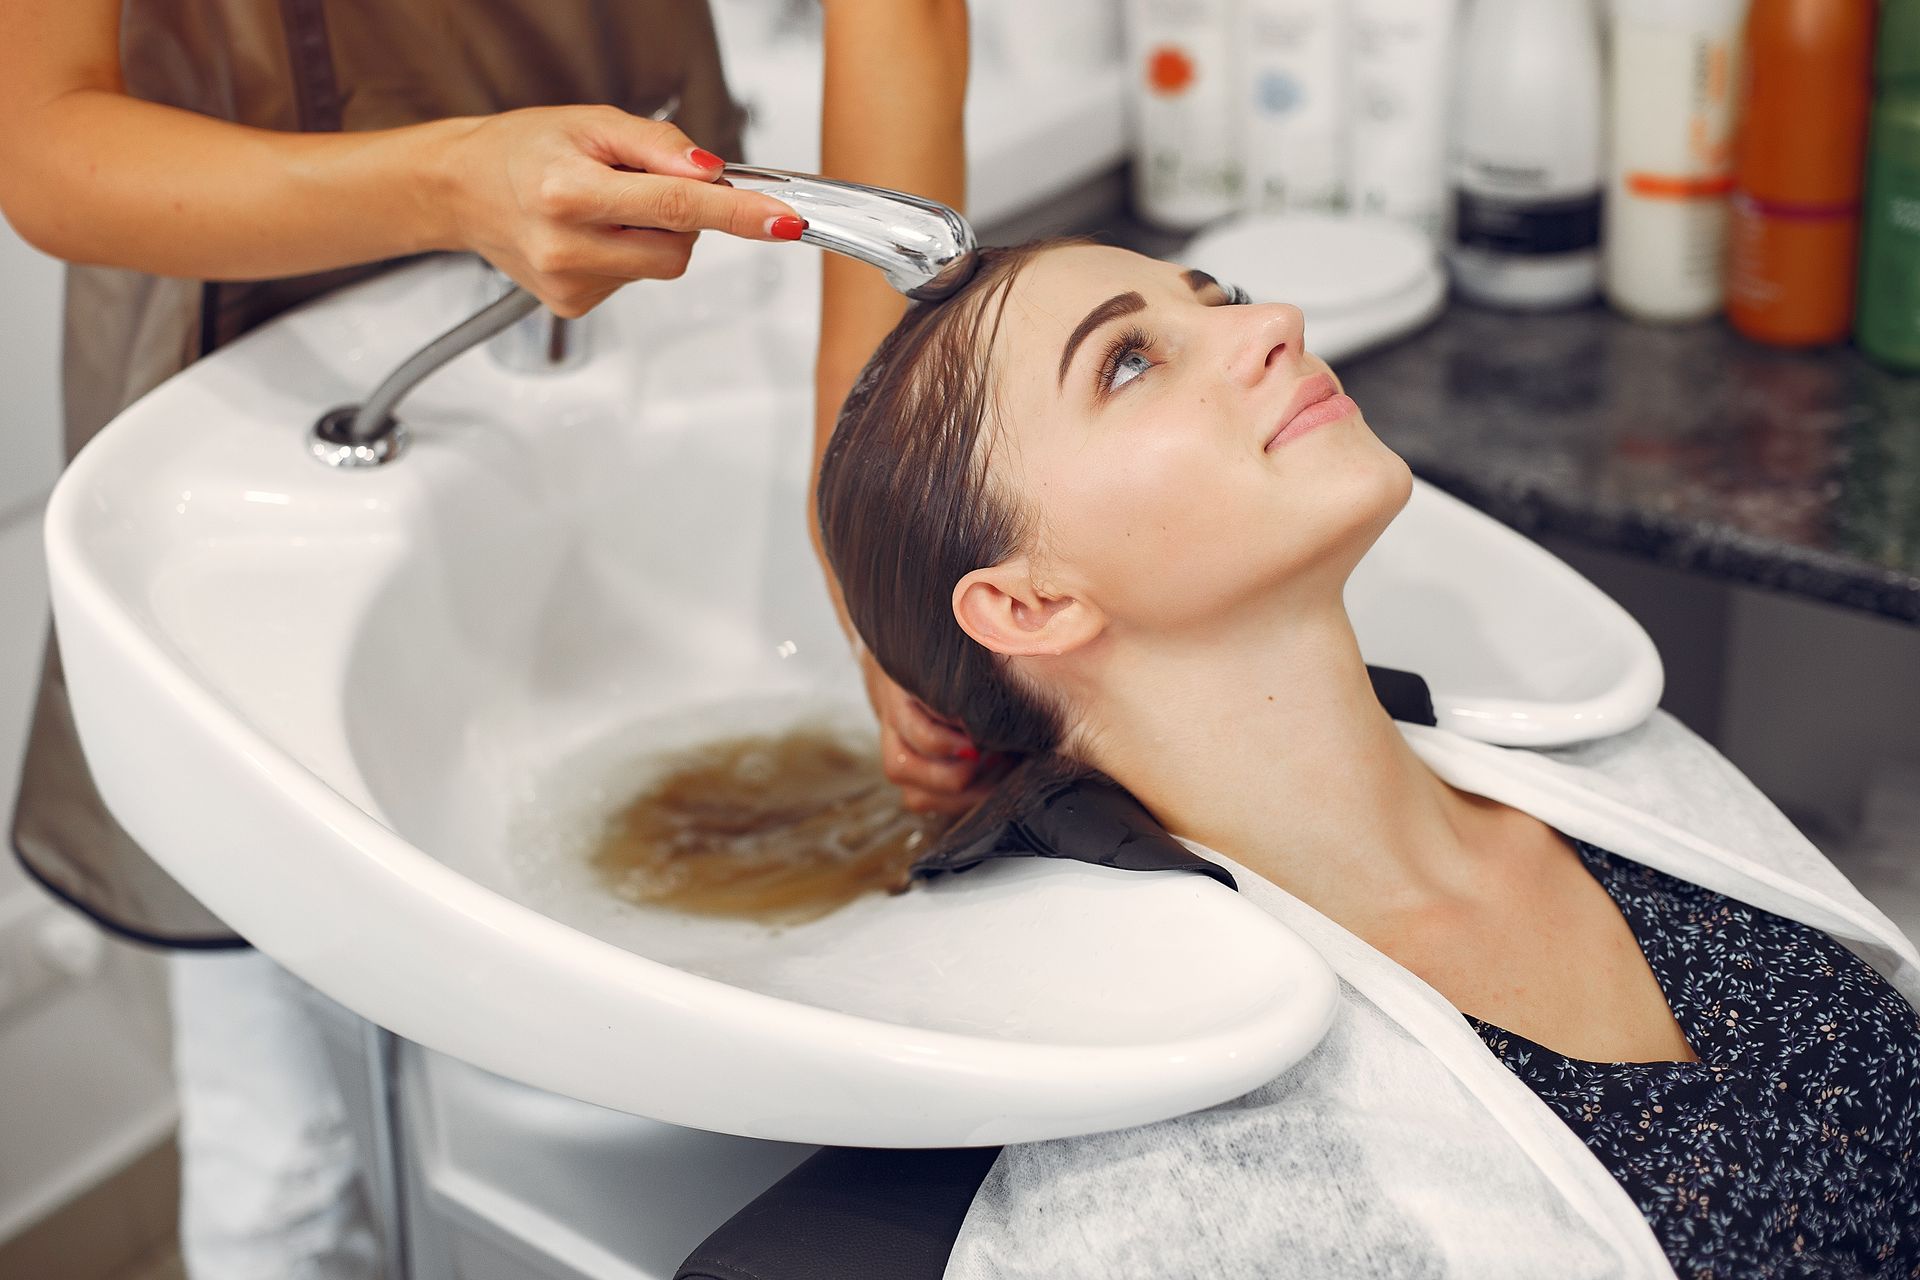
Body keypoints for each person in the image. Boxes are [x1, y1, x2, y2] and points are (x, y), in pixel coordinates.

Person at [0, 1, 974, 1274]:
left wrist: (863, 491)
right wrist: (451, 182)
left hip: (648, 275)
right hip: (256, 379)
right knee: (279, 1140)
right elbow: (47, 143)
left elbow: (898, 17)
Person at [804, 240, 1920, 1276]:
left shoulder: (1616, 772)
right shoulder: (1184, 1183)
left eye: (1218, 297)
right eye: (1129, 362)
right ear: (1028, 602)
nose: (1276, 321)